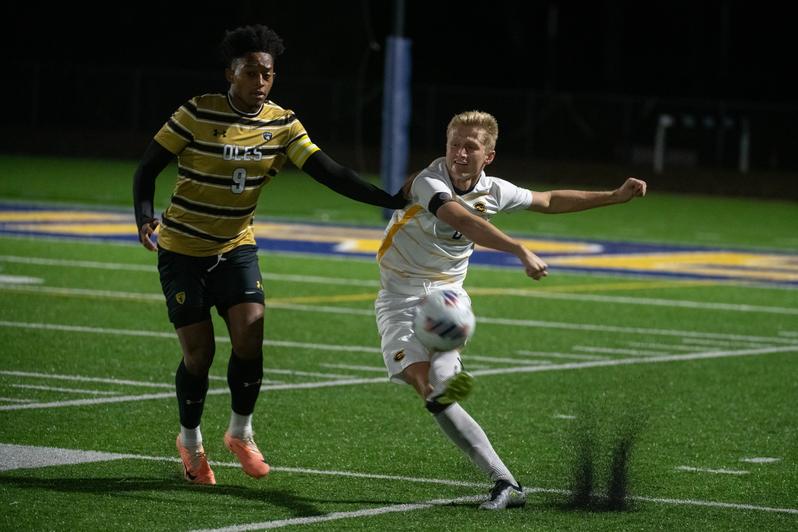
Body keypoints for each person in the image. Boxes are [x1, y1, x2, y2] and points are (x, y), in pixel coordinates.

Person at [132, 24, 405, 485]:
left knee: (251, 332)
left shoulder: (281, 123)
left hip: (236, 246)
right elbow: (147, 168)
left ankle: (241, 432)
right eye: (252, 72)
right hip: (182, 250)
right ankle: (191, 442)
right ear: (231, 73)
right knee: (199, 356)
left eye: (269, 73)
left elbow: (327, 170)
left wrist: (389, 200)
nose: (261, 82)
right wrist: (144, 217)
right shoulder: (197, 112)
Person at [375, 110, 646, 509]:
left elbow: (549, 200)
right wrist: (519, 249)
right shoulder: (427, 181)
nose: (460, 154)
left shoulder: (494, 190)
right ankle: (457, 389)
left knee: (439, 386)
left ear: (489, 156)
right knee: (429, 390)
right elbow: (460, 219)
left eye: (471, 147)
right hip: (398, 298)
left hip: (447, 297)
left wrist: (614, 196)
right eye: (454, 144)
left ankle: (504, 482)